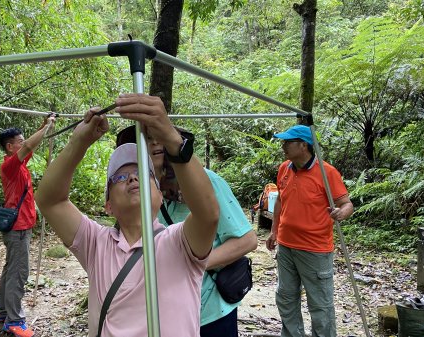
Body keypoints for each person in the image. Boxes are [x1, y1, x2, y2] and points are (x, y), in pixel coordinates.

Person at [35, 93, 220, 337]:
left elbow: (208, 214)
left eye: (143, 174)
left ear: (160, 195)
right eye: (120, 176)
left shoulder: (179, 242)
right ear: (108, 205)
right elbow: (49, 201)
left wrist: (170, 138)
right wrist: (78, 142)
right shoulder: (96, 244)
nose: (133, 177)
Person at [116, 125, 258, 337]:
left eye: (159, 136)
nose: (155, 142)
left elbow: (247, 240)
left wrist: (193, 264)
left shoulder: (204, 181)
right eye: (146, 138)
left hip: (208, 312)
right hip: (163, 313)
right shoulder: (139, 192)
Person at [265, 125, 354, 337]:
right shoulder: (284, 168)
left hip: (315, 249)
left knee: (320, 303)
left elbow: (347, 203)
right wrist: (274, 231)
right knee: (285, 297)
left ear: (303, 145)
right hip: (286, 246)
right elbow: (280, 202)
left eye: (288, 142)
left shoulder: (327, 172)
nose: (283, 146)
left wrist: (341, 213)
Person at [0, 115, 55, 337]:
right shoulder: (9, 166)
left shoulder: (17, 164)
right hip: (17, 229)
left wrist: (44, 125)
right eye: (19, 141)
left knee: (10, 269)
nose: (24, 142)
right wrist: (46, 127)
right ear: (10, 147)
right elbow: (29, 145)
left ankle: (1, 311)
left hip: (19, 227)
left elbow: (29, 146)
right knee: (18, 272)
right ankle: (14, 320)